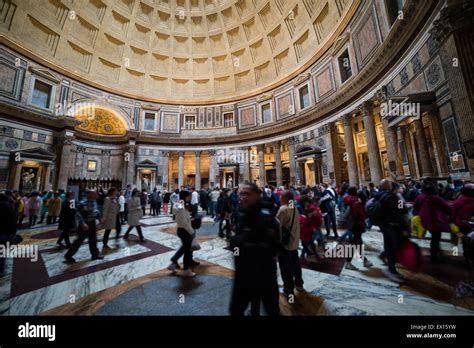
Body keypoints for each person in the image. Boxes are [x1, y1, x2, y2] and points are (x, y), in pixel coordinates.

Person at [230, 183, 281, 316]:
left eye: (247, 194)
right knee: (235, 310)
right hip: (242, 276)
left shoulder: (267, 216)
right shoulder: (242, 213)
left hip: (264, 275)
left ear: (257, 195)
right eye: (241, 194)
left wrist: (240, 241)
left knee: (272, 309)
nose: (243, 197)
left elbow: (274, 246)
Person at [376, 180, 408, 283]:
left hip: (383, 224)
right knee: (394, 246)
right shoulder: (393, 197)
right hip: (393, 225)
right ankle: (391, 269)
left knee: (389, 244)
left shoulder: (377, 195)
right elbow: (402, 210)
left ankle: (388, 262)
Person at [413, 181, 451, 263]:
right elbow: (447, 207)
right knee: (435, 238)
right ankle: (434, 256)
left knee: (435, 238)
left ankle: (438, 253)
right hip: (435, 221)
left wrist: (417, 215)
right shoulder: (436, 198)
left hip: (425, 220)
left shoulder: (420, 197)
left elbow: (415, 207)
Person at [277, 190, 304, 297]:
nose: (279, 198)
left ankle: (288, 290)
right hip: (294, 241)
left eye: (281, 196)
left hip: (285, 243)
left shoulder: (283, 209)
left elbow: (277, 226)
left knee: (285, 268)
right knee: (296, 265)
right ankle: (299, 284)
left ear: (285, 198)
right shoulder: (295, 208)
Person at [64, 190, 104, 263]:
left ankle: (95, 254)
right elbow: (78, 214)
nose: (96, 195)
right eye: (94, 194)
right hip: (85, 225)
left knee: (93, 240)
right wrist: (82, 223)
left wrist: (100, 221)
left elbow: (96, 212)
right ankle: (68, 256)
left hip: (92, 223)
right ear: (89, 195)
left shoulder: (94, 202)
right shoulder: (83, 203)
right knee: (79, 241)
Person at [167, 190, 199, 277]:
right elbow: (184, 221)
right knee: (188, 250)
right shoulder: (181, 205)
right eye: (189, 196)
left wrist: (189, 219)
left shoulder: (179, 204)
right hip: (185, 231)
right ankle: (186, 270)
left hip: (181, 229)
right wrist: (192, 232)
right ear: (185, 196)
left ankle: (173, 262)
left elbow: (180, 217)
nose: (190, 197)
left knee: (184, 248)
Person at [343, 187, 373, 270]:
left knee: (357, 243)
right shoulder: (356, 202)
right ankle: (349, 262)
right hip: (357, 224)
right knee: (355, 244)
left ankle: (364, 260)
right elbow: (362, 213)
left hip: (352, 224)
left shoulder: (349, 200)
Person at [0, 193, 17, 275]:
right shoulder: (9, 206)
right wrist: (13, 232)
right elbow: (13, 220)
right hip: (6, 232)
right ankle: (1, 268)